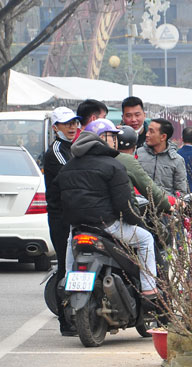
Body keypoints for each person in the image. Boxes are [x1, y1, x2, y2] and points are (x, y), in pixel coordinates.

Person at [58, 119, 159, 296]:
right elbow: (124, 205)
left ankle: (67, 280)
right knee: (145, 239)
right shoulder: (114, 165)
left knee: (70, 238)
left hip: (78, 228)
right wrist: (137, 221)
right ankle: (149, 291)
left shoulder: (68, 167)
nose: (115, 141)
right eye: (112, 136)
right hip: (108, 227)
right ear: (103, 138)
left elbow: (60, 201)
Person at [42, 107, 81, 336]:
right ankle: (66, 323)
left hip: (78, 214)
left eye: (74, 123)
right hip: (62, 219)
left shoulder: (74, 147)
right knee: (66, 268)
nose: (72, 127)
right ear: (55, 127)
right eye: (66, 124)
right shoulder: (56, 150)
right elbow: (73, 175)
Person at [116, 126, 173, 215]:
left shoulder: (105, 158)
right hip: (125, 215)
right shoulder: (129, 161)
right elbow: (149, 189)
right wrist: (168, 206)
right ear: (134, 147)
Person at [136, 118, 188, 197]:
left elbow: (180, 192)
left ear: (163, 137)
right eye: (148, 130)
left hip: (166, 207)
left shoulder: (177, 160)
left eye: (151, 131)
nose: (147, 134)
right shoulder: (138, 154)